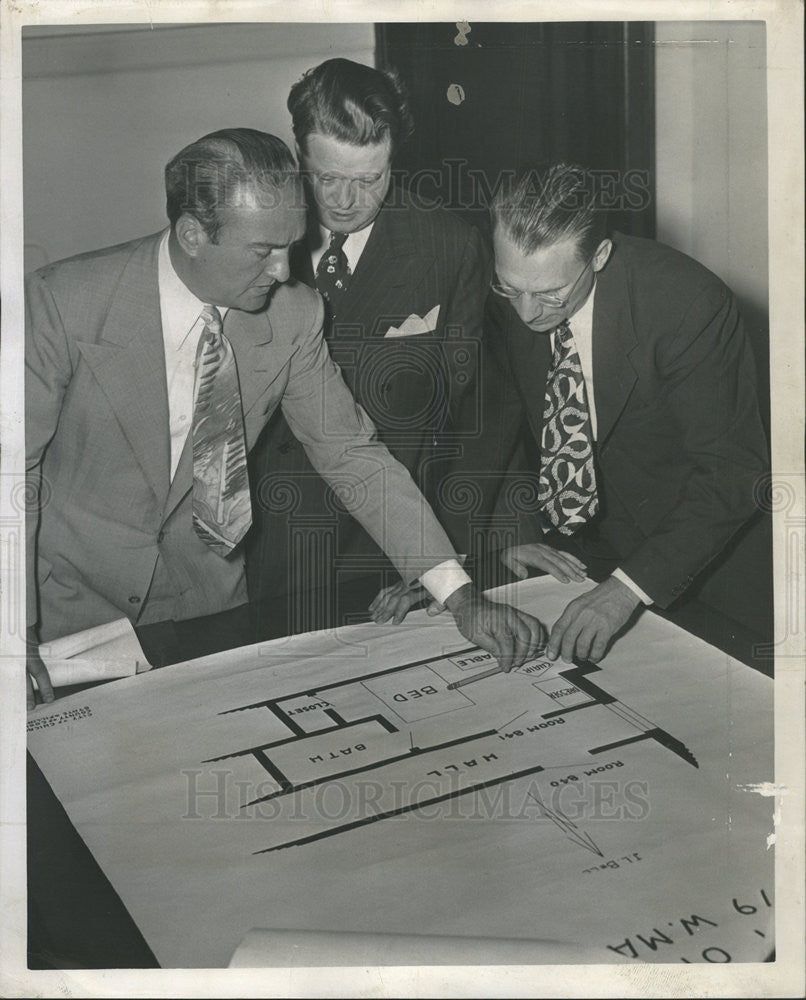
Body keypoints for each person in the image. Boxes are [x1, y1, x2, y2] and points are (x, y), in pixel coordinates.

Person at [24, 128, 545, 710]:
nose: (283, 270)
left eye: (293, 245)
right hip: (64, 613)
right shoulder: (62, 302)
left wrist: (459, 595)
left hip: (207, 606)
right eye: (263, 251)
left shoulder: (295, 312)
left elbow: (354, 456)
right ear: (193, 235)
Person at [372, 162, 768, 664]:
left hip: (710, 560)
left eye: (549, 295)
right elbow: (494, 431)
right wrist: (458, 577)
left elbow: (733, 473)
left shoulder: (688, 304)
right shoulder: (519, 293)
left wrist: (627, 589)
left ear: (599, 255)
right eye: (509, 289)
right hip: (588, 547)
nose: (526, 314)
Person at [246, 59, 490, 636]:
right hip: (262, 542)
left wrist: (442, 565)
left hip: (387, 550)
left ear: (394, 157)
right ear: (298, 152)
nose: (347, 201)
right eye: (327, 178)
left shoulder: (449, 247)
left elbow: (471, 415)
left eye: (371, 179)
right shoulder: (253, 237)